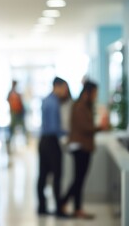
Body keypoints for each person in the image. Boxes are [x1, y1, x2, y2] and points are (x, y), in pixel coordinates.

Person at [61, 81, 108, 219]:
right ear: (88, 92)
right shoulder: (80, 106)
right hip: (80, 147)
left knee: (79, 179)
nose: (96, 96)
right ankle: (65, 203)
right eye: (95, 93)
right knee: (78, 179)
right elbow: (85, 128)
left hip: (83, 147)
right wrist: (101, 127)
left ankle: (75, 208)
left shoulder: (83, 105)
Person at [37, 77, 69, 217]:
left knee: (42, 175)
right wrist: (68, 132)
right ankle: (58, 209)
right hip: (51, 141)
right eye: (64, 88)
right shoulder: (54, 102)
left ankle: (42, 207)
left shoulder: (45, 100)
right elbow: (55, 127)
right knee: (57, 175)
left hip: (43, 141)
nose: (65, 92)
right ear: (58, 86)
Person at [7, 80, 26, 154]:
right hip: (13, 113)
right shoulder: (11, 93)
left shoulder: (18, 94)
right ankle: (10, 146)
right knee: (11, 130)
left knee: (22, 129)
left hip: (18, 113)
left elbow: (21, 103)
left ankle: (24, 144)